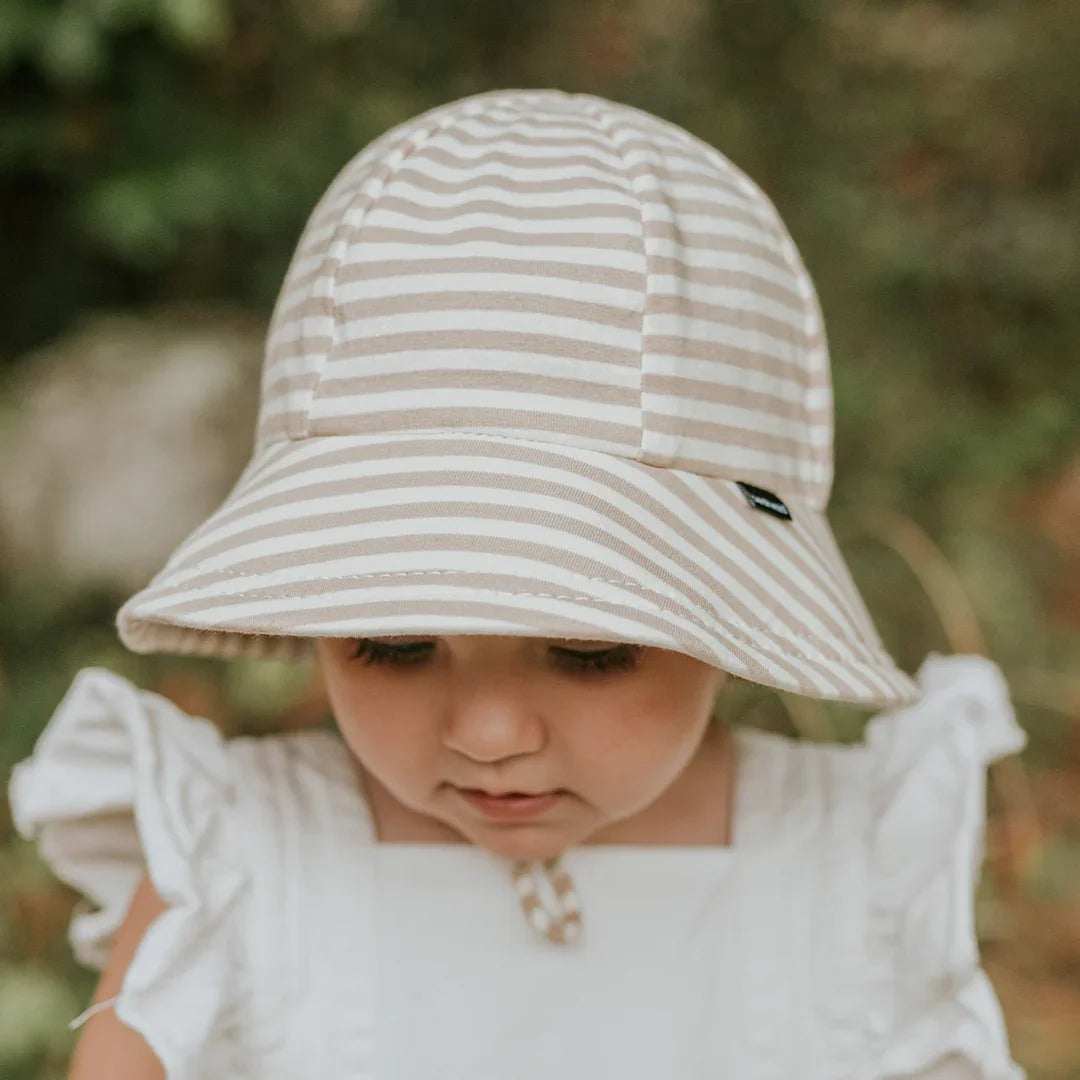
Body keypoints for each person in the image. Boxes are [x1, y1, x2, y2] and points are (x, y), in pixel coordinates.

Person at [6, 87, 1027, 1079]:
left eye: (590, 651)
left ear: (729, 622)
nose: (488, 734)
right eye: (396, 646)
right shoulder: (234, 862)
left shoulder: (852, 873)